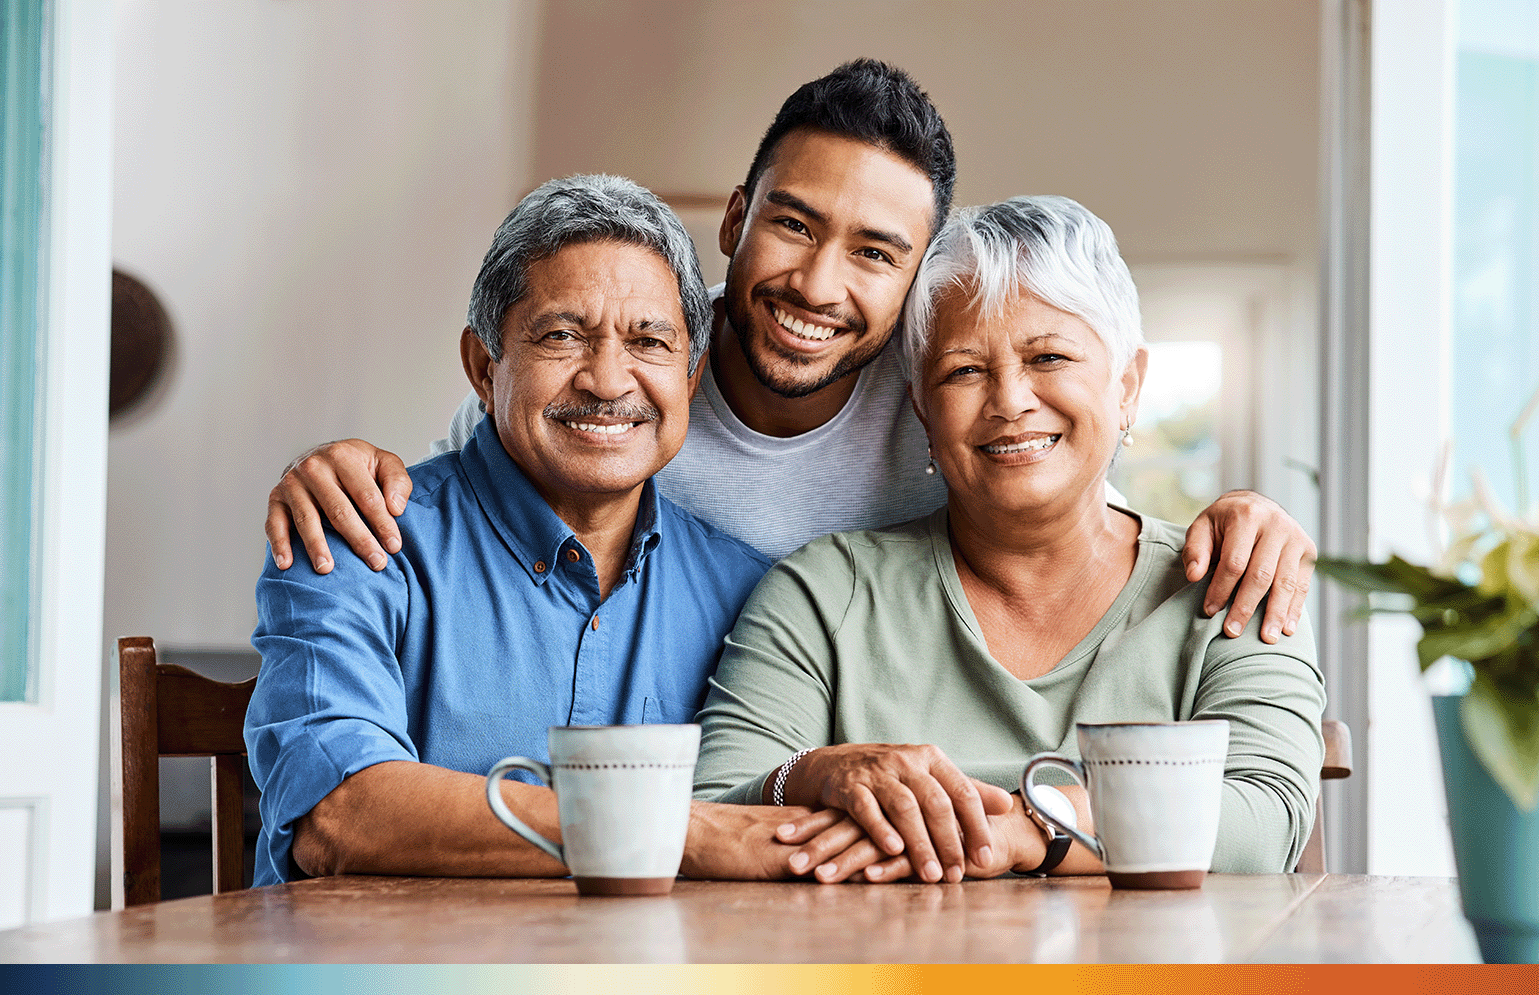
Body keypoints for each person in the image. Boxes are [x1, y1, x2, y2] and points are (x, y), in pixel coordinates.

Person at [263, 59, 1317, 645]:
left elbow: (1076, 509)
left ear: (915, 284)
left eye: (875, 252)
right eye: (795, 226)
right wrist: (349, 468)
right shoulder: (618, 382)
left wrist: (1238, 518)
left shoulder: (945, 398)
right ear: (733, 218)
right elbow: (465, 497)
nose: (818, 284)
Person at [245, 175, 862, 886]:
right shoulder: (359, 534)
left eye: (649, 341)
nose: (607, 380)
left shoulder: (752, 592)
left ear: (690, 378)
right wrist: (677, 834)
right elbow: (340, 817)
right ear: (484, 366)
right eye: (562, 335)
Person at [692, 196, 1326, 886]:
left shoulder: (1236, 580)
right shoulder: (823, 591)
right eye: (963, 370)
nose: (1010, 399)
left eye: (1048, 356)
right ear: (922, 413)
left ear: (1127, 387)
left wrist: (1037, 826)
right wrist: (811, 774)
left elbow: (1263, 821)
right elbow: (710, 810)